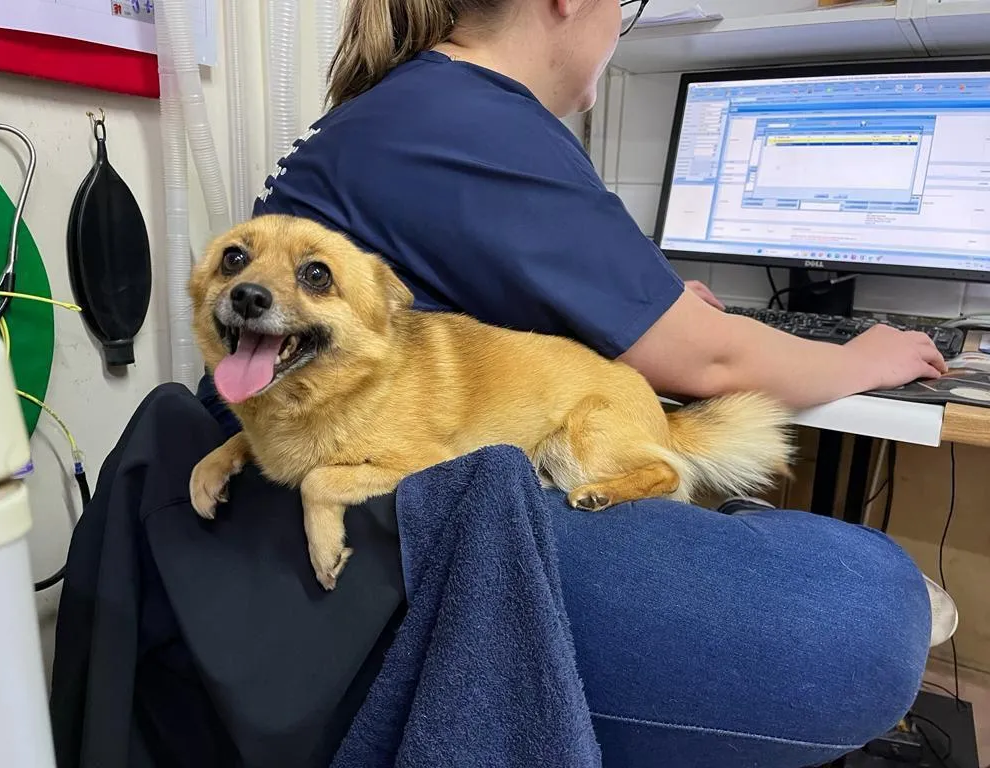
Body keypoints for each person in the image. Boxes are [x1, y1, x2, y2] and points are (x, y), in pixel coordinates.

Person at [53, 0, 955, 766]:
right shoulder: (474, 125)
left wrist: (651, 306)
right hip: (373, 557)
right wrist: (860, 358)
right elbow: (712, 363)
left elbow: (490, 317)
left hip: (255, 539)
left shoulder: (400, 110)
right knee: (874, 619)